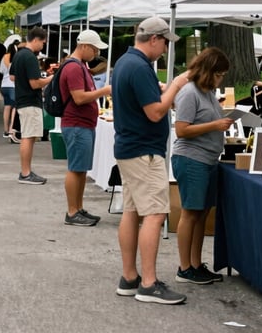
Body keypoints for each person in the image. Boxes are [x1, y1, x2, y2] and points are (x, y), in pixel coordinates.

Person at [112, 16, 190, 305]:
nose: (166, 49)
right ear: (154, 39)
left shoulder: (124, 62)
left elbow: (144, 101)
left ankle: (130, 277)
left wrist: (161, 89)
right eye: (166, 42)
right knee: (155, 215)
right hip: (144, 151)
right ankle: (148, 283)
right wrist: (177, 84)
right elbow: (156, 113)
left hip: (130, 148)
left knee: (132, 212)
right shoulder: (140, 66)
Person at [171, 47, 234, 284]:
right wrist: (215, 125)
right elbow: (182, 130)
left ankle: (196, 263)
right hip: (191, 159)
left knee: (201, 212)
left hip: (208, 159)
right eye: (219, 74)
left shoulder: (207, 92)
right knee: (190, 212)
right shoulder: (189, 92)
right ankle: (184, 268)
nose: (221, 79)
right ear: (209, 71)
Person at [60, 30, 112, 226]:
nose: (96, 53)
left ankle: (78, 208)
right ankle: (72, 211)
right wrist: (103, 91)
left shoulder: (79, 66)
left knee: (81, 169)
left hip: (82, 124)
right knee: (75, 168)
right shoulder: (74, 68)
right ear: (84, 46)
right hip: (76, 124)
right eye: (94, 48)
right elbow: (79, 97)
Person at [11, 26, 52, 184]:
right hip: (30, 101)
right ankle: (26, 173)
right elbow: (35, 84)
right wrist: (50, 79)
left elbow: (13, 77)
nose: (43, 46)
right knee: (29, 137)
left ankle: (26, 171)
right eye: (42, 43)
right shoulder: (30, 58)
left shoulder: (19, 54)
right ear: (35, 40)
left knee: (28, 135)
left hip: (21, 99)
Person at [0, 40, 20, 142]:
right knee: (15, 107)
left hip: (4, 85)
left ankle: (5, 130)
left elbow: (1, 71)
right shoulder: (17, 59)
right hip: (13, 86)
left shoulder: (4, 58)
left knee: (7, 107)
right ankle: (12, 129)